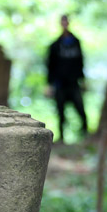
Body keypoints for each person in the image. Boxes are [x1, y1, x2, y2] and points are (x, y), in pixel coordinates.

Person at [46, 14, 88, 142]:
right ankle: (61, 138)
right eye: (62, 22)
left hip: (74, 83)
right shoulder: (55, 45)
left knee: (80, 110)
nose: (64, 24)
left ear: (68, 23)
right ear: (60, 24)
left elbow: (80, 62)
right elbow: (50, 66)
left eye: (66, 22)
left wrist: (83, 81)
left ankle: (85, 135)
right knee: (60, 112)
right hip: (60, 84)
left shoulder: (76, 42)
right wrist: (49, 85)